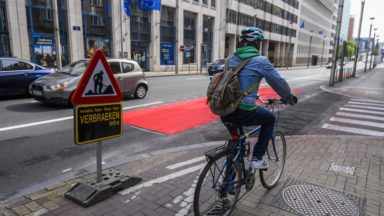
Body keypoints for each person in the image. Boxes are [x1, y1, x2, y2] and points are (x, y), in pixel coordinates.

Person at [221, 27, 297, 170]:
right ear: (256, 44)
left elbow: (233, 83)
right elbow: (278, 82)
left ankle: (229, 181)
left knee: (237, 141)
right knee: (269, 119)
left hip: (225, 110)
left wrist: (250, 94)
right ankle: (257, 158)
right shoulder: (261, 61)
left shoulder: (230, 58)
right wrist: (288, 97)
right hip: (244, 111)